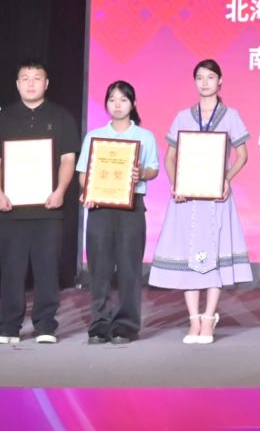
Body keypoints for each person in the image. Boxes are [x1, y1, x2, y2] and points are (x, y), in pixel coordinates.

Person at [150, 58, 253, 343]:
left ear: (220, 81)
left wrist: (226, 179)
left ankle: (209, 318)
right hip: (188, 197)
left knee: (214, 255)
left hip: (217, 197)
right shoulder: (183, 116)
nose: (205, 82)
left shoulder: (231, 116)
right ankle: (193, 320)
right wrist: (176, 184)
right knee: (188, 254)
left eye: (210, 77)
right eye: (199, 77)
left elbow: (243, 155)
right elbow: (170, 157)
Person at [0, 60, 80, 344]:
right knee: (11, 270)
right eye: (25, 78)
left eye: (37, 78)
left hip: (48, 209)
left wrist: (60, 191)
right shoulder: (3, 118)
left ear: (46, 84)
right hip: (10, 209)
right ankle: (8, 326)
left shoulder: (61, 117)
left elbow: (68, 159)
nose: (31, 83)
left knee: (47, 270)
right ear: (17, 84)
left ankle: (46, 325)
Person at [75, 80, 160, 344]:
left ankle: (126, 325)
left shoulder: (145, 136)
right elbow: (83, 174)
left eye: (123, 99)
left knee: (129, 269)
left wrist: (141, 173)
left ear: (133, 104)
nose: (117, 105)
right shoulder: (95, 136)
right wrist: (89, 190)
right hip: (100, 208)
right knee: (99, 269)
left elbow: (153, 170)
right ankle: (99, 324)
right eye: (112, 99)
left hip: (131, 207)